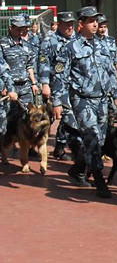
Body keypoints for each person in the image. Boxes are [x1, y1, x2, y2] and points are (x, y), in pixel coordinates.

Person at [52, 6, 117, 198]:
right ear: (81, 24)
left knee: (98, 141)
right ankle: (99, 181)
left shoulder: (102, 45)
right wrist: (57, 101)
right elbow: (60, 76)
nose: (95, 24)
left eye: (97, 20)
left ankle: (77, 169)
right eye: (91, 21)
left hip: (101, 100)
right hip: (82, 100)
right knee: (92, 138)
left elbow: (109, 73)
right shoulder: (70, 48)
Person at [38, 11, 76, 161]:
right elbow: (43, 63)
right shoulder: (50, 40)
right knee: (49, 118)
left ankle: (60, 147)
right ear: (59, 24)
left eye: (71, 24)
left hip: (73, 86)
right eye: (66, 24)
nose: (69, 27)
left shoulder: (76, 39)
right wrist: (45, 84)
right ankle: (35, 141)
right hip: (56, 86)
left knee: (69, 116)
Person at [0, 14, 39, 110]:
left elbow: (30, 66)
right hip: (8, 89)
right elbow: (2, 69)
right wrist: (6, 87)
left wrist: (34, 83)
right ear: (11, 28)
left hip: (25, 88)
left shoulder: (27, 45)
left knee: (27, 119)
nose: (21, 32)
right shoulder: (2, 44)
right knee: (6, 121)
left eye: (23, 28)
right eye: (18, 29)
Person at [97, 15, 117, 93]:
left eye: (105, 27)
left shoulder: (110, 41)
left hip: (111, 83)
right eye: (101, 27)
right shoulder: (90, 42)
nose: (103, 29)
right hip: (96, 85)